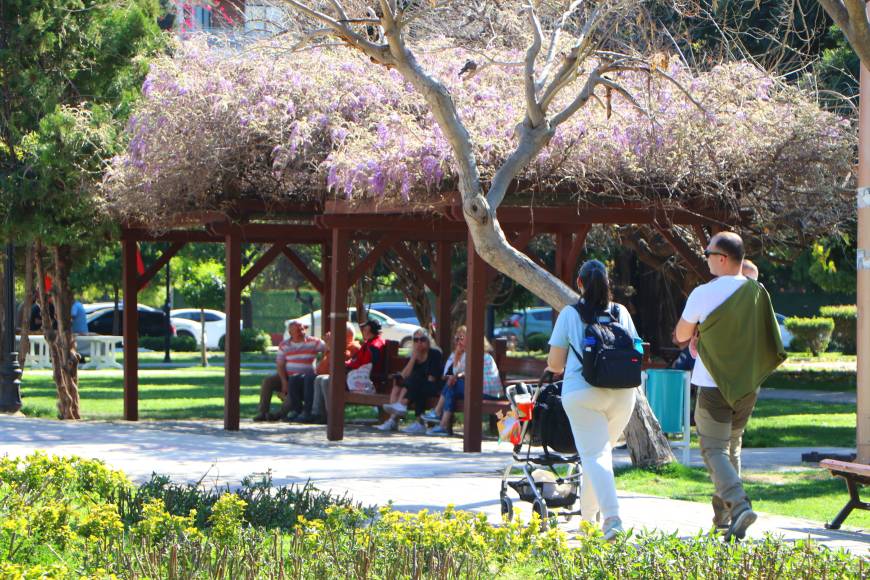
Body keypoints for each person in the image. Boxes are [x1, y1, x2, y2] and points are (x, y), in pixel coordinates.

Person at [674, 233, 785, 541]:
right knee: (732, 446)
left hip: (713, 385)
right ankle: (724, 517)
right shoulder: (757, 292)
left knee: (713, 449)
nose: (705, 257)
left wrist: (697, 330)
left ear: (722, 258)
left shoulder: (703, 294)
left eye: (708, 253)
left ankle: (738, 505)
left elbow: (681, 335)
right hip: (748, 386)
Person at [544, 259, 640, 541]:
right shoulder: (620, 312)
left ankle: (612, 518)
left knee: (595, 455)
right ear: (608, 284)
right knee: (599, 455)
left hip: (583, 393)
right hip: (623, 394)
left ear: (579, 283)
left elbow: (555, 363)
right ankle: (587, 521)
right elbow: (635, 347)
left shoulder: (570, 314)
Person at [421, 326, 503, 436]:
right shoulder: (466, 354)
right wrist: (457, 355)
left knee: (452, 384)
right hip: (478, 390)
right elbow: (456, 372)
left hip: (489, 393)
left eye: (461, 338)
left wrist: (455, 376)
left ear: (471, 338)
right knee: (451, 386)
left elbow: (469, 373)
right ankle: (442, 424)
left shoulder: (479, 354)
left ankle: (438, 415)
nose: (458, 341)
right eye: (457, 338)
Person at [253, 321, 325, 422]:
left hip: (303, 379)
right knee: (268, 381)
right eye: (297, 330)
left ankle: (277, 415)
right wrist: (284, 382)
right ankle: (262, 412)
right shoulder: (284, 345)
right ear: (290, 333)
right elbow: (280, 364)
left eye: (302, 329)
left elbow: (328, 348)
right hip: (286, 375)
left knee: (291, 396)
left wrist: (322, 362)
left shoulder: (314, 342)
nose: (301, 331)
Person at [378, 328, 443, 433]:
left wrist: (413, 379)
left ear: (428, 341)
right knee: (399, 386)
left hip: (433, 386)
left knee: (415, 381)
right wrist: (413, 359)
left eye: (422, 339)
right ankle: (393, 419)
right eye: (416, 340)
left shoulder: (435, 354)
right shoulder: (413, 355)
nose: (419, 343)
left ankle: (401, 407)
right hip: (415, 386)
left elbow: (432, 377)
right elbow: (404, 375)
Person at [310, 323, 360, 424]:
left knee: (325, 380)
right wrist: (329, 348)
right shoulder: (337, 347)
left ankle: (332, 415)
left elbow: (339, 362)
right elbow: (321, 370)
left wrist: (331, 347)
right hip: (338, 378)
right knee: (319, 378)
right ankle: (317, 414)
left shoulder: (353, 347)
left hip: (349, 381)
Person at [346, 319, 386, 393]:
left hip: (366, 375)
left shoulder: (373, 345)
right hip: (364, 372)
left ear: (369, 330)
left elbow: (365, 365)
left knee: (330, 379)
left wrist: (347, 364)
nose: (363, 331)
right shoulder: (370, 343)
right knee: (323, 379)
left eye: (364, 329)